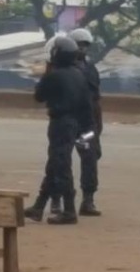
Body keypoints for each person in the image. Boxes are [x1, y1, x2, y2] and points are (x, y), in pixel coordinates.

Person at [24, 36, 92, 225]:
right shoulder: (79, 73)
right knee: (55, 163)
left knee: (59, 163)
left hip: (62, 122)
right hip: (74, 123)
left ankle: (65, 209)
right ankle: (39, 206)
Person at [50, 28, 103, 217]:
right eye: (79, 45)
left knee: (89, 157)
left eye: (85, 46)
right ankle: (56, 198)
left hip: (85, 123)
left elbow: (96, 98)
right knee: (59, 160)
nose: (83, 50)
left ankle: (88, 199)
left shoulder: (90, 69)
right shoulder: (58, 69)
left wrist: (97, 124)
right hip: (66, 122)